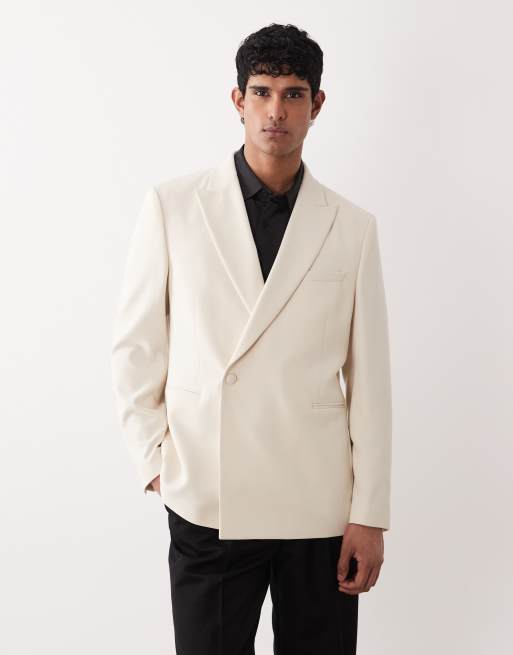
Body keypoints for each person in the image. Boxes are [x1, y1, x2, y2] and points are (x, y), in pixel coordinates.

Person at [111, 22, 392, 655]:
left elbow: (370, 379)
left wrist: (369, 513)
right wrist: (156, 462)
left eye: (294, 95)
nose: (276, 111)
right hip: (210, 493)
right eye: (262, 92)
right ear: (238, 100)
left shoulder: (352, 228)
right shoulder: (174, 207)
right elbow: (136, 346)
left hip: (317, 502)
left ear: (318, 105)